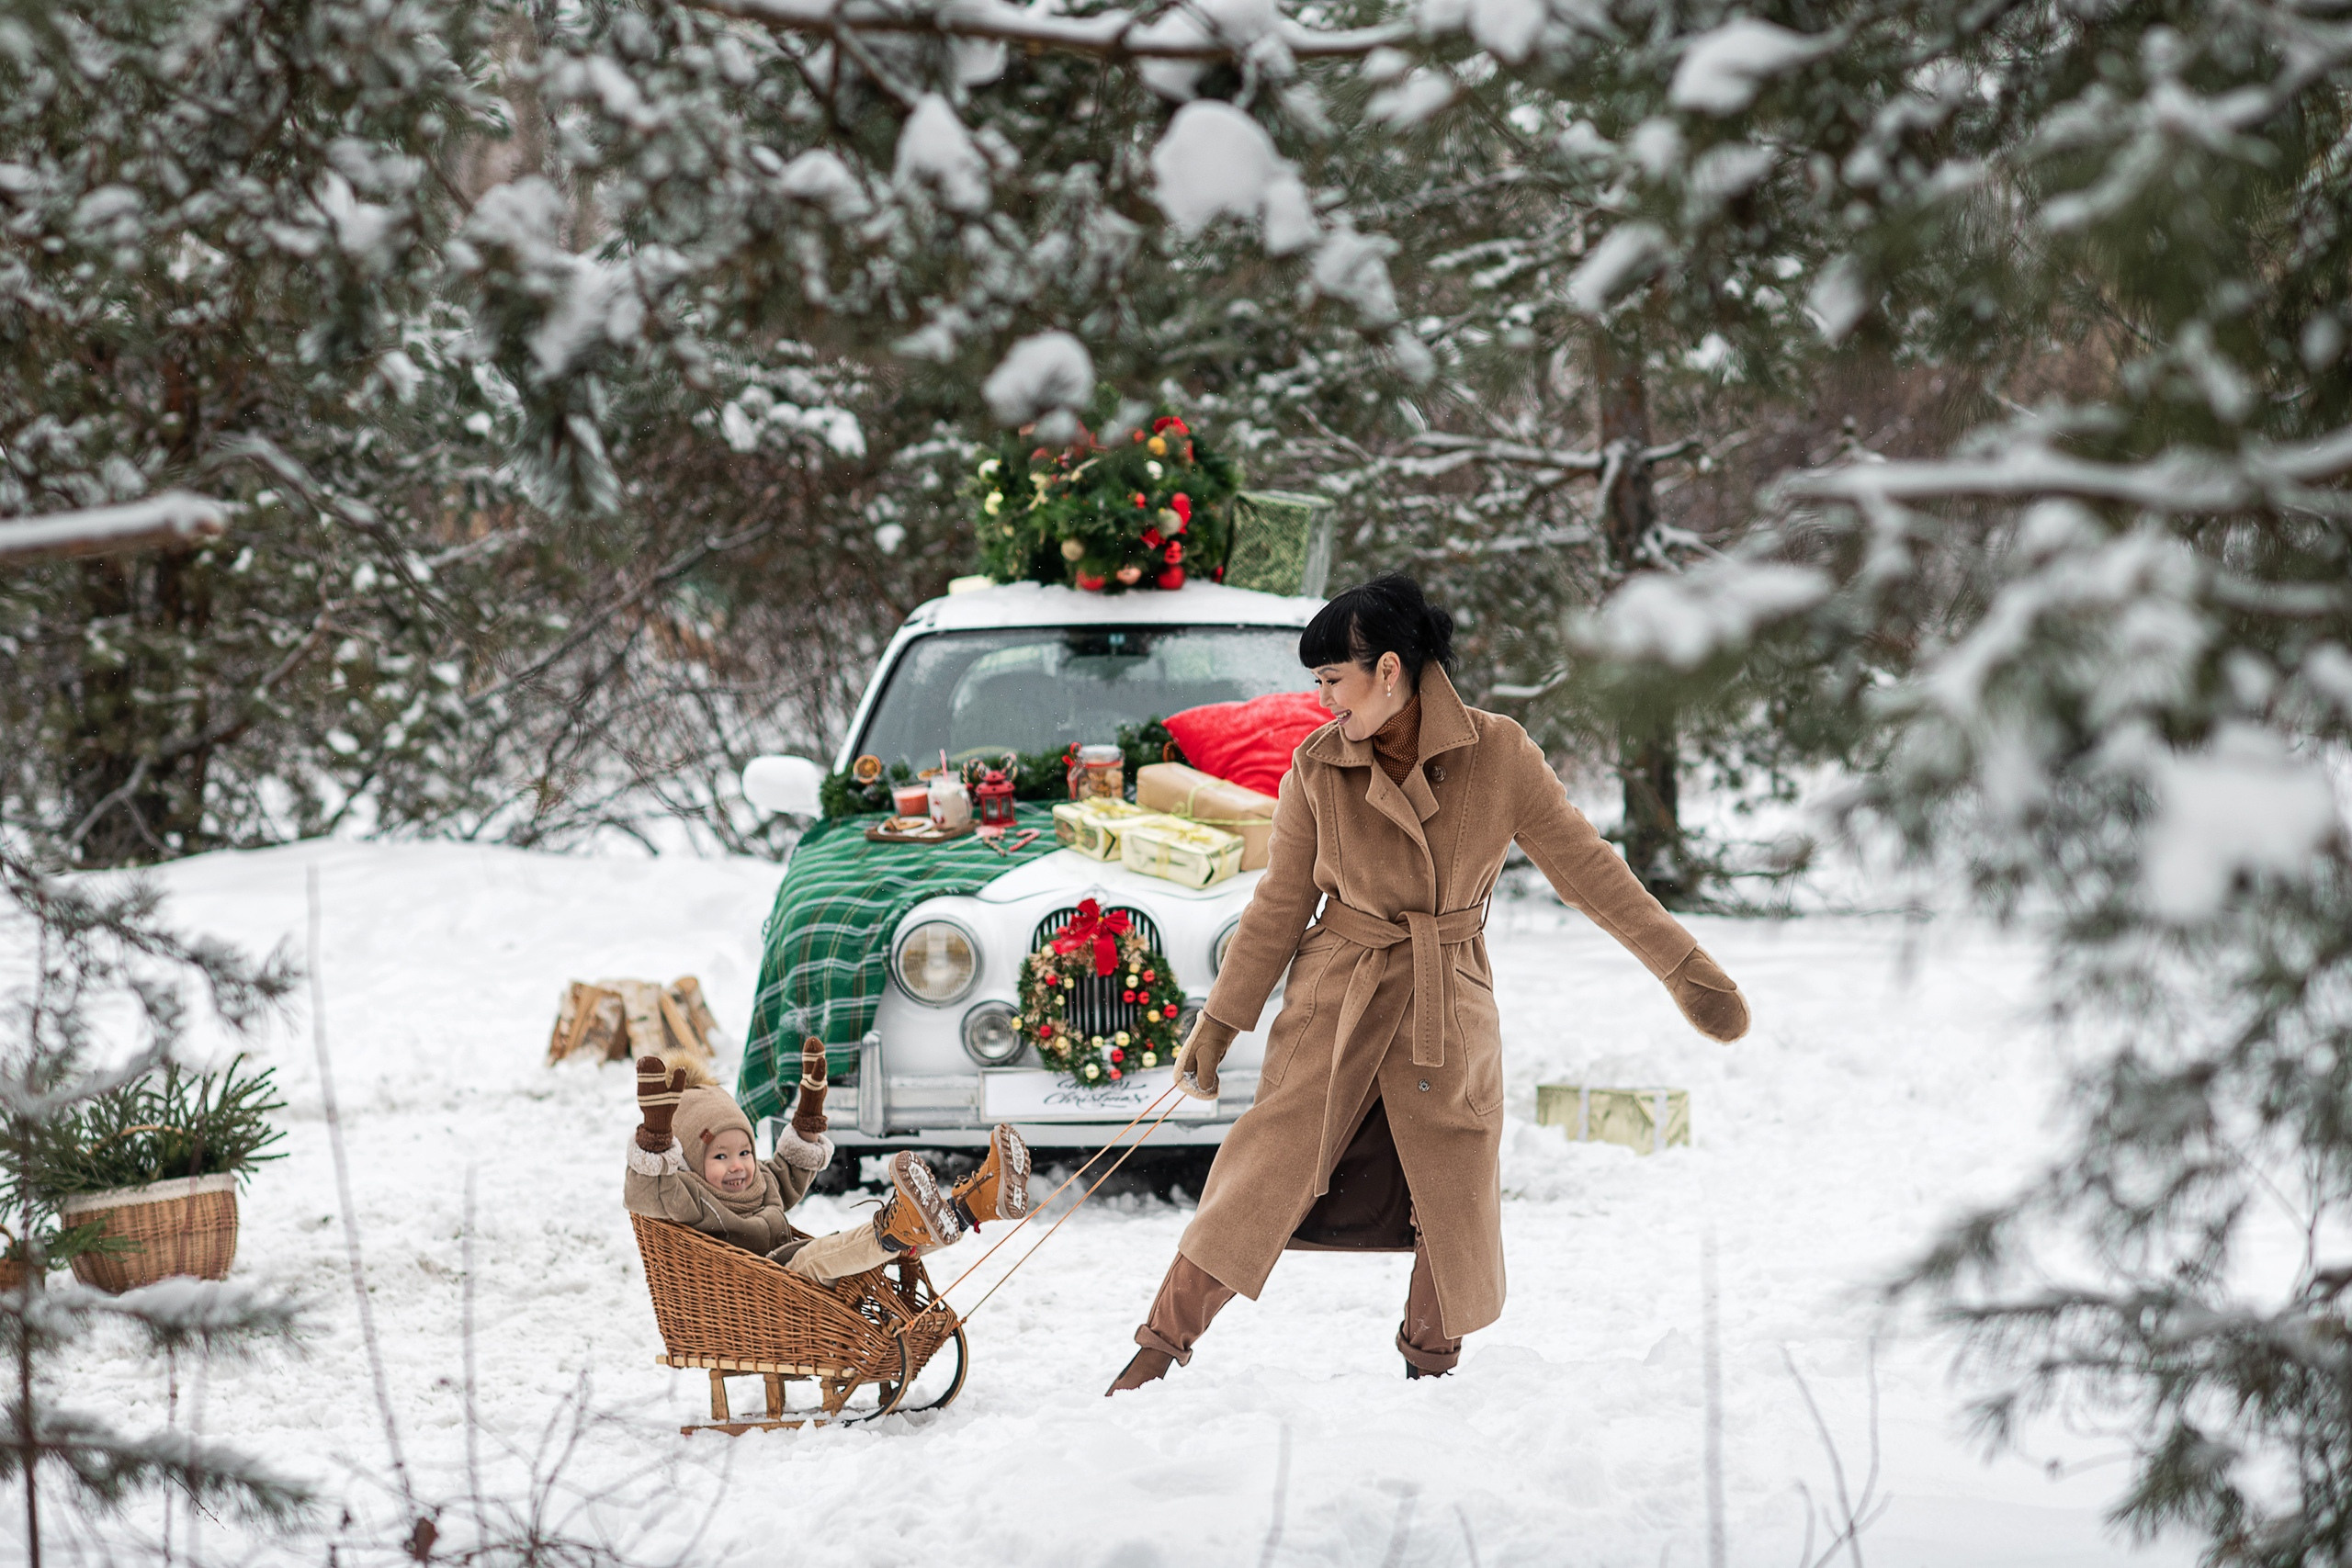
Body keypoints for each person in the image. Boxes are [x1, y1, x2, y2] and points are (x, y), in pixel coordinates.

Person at [1107, 573, 1749, 1393]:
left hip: (1446, 995)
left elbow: (1590, 871)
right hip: (1337, 995)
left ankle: (1432, 1371)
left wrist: (1685, 969)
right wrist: (1220, 1021)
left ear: (1387, 669)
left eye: (1332, 680)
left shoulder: (1500, 753)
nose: (1324, 701)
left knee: (1451, 1187)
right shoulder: (1316, 765)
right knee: (1259, 1171)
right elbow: (1278, 904)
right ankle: (1155, 1352)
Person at [627, 1040, 1032, 1278]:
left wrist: (806, 1120)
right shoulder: (688, 1196)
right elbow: (648, 1191)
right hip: (762, 1293)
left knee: (849, 1248)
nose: (738, 1165)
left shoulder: (759, 1182)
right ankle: (900, 1226)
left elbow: (789, 1168)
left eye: (745, 1151)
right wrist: (657, 1138)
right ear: (693, 1163)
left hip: (791, 1278)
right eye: (720, 1156)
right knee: (820, 1256)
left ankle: (972, 1205)